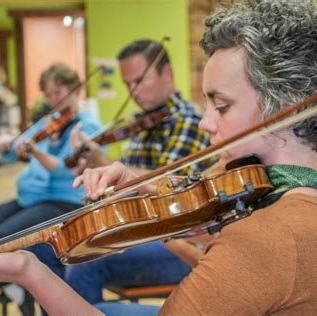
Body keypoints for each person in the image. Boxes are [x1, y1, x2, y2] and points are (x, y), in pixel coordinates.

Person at [0, 1, 317, 315]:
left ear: (286, 106)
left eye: (221, 106)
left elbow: (247, 258)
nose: (206, 123)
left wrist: (29, 270)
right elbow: (205, 223)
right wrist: (147, 193)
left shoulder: (268, 239)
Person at [29, 39, 211, 307]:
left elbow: (173, 189)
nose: (133, 91)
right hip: (136, 229)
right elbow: (124, 179)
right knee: (46, 246)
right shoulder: (140, 123)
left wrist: (107, 163)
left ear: (167, 73)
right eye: (127, 84)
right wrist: (96, 167)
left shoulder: (188, 121)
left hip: (177, 240)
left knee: (85, 260)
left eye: (140, 80)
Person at [0, 63, 102, 313]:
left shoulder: (88, 126)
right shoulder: (48, 123)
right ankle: (16, 289)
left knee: (0, 239)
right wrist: (7, 147)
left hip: (64, 200)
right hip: (31, 197)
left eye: (58, 92)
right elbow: (16, 153)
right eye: (48, 94)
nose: (53, 99)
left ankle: (20, 287)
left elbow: (65, 169)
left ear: (75, 90)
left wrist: (34, 151)